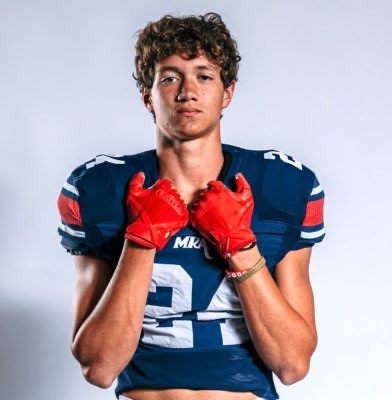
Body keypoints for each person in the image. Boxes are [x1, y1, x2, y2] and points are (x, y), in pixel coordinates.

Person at [57, 12, 325, 400]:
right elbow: (99, 367)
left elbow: (293, 364)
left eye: (204, 76)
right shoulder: (99, 188)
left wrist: (241, 247)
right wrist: (141, 239)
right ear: (147, 95)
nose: (187, 91)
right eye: (169, 78)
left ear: (227, 92)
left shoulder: (281, 186)